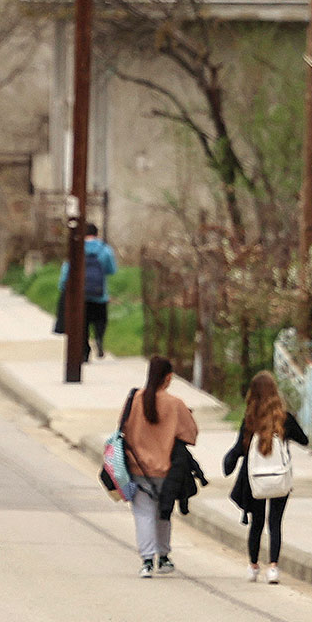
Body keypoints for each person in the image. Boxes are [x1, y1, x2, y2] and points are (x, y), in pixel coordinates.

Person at [222, 372, 309, 584]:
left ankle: (253, 566)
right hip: (279, 477)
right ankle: (273, 568)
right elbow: (304, 440)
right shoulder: (284, 419)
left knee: (257, 523)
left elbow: (240, 449)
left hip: (255, 480)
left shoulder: (250, 421)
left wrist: (228, 463)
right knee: (275, 523)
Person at [124, 356, 199, 578]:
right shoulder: (175, 404)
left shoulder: (135, 400)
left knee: (143, 514)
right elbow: (191, 435)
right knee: (164, 512)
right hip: (167, 470)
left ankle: (147, 560)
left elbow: (124, 429)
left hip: (138, 468)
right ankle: (164, 556)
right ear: (168, 378)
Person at [54, 223, 118, 360]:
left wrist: (63, 286)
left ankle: (85, 351)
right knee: (101, 318)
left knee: (83, 323)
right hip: (99, 293)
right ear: (96, 234)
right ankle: (99, 338)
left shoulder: (76, 248)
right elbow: (112, 270)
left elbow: (67, 269)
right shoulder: (105, 249)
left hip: (80, 294)